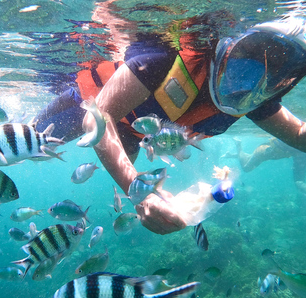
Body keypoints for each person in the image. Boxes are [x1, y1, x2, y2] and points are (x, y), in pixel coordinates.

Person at [35, 9, 306, 235]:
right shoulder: (163, 60)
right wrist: (139, 191)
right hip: (82, 103)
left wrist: (141, 190)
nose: (248, 84)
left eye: (275, 78)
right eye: (244, 60)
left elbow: (298, 134)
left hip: (130, 135)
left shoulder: (255, 99)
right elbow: (97, 118)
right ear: (224, 46)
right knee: (28, 141)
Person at [224, 137, 306, 196]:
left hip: (265, 152)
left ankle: (232, 155)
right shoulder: (298, 150)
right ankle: (238, 145)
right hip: (262, 152)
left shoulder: (298, 148)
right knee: (246, 168)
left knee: (250, 159)